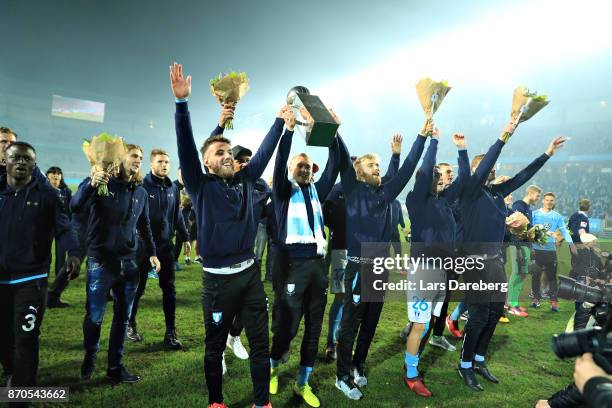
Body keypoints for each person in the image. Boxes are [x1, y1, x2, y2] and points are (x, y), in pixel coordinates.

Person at [170, 61, 290, 408]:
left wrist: (280, 121)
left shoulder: (245, 180)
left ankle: (261, 402)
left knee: (260, 345)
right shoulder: (200, 185)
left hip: (249, 277)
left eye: (228, 151)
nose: (226, 155)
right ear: (206, 164)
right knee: (213, 345)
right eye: (219, 153)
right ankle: (216, 402)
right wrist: (182, 105)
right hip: (217, 283)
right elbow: (187, 146)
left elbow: (265, 153)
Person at [456, 118, 566, 392]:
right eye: (486, 166)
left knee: (494, 312)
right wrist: (507, 132)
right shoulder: (469, 191)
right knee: (479, 315)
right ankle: (465, 364)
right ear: (476, 170)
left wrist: (547, 154)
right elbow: (489, 159)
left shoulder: (495, 194)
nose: (492, 169)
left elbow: (522, 177)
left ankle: (479, 359)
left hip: (494, 263)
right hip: (473, 263)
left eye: (493, 167)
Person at [334, 119, 428, 400]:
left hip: (379, 268)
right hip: (357, 268)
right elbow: (340, 156)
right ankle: (342, 375)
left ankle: (358, 363)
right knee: (350, 323)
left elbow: (407, 169)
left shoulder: (385, 193)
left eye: (379, 164)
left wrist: (420, 135)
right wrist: (335, 129)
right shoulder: (351, 189)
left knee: (371, 321)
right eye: (371, 164)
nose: (377, 168)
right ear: (358, 172)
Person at [268, 116, 342, 407]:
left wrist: (333, 133)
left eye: (308, 166)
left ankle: (303, 382)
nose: (304, 169)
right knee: (287, 326)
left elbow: (335, 164)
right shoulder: (284, 192)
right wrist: (287, 131)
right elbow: (279, 160)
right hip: (293, 267)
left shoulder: (316, 191)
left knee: (314, 327)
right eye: (299, 165)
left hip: (317, 268)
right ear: (290, 170)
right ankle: (273, 368)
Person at [71, 144, 160, 383]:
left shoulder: (140, 191)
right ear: (120, 159)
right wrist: (91, 183)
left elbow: (145, 226)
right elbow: (75, 205)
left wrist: (152, 252)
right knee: (94, 317)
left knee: (122, 318)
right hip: (101, 263)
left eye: (141, 157)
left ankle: (115, 367)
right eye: (134, 156)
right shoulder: (101, 183)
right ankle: (90, 355)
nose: (138, 160)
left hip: (129, 265)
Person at [0, 142, 80, 391]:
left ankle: (21, 396)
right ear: (6, 160)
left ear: (35, 165)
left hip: (31, 279)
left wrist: (74, 254)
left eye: (27, 159)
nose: (21, 162)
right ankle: (13, 371)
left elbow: (64, 228)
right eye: (16, 158)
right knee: (4, 338)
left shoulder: (48, 197)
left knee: (26, 338)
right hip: (1, 279)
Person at [403, 129, 469, 397]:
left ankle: (412, 361)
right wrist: (434, 141)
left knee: (429, 322)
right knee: (419, 325)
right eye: (435, 176)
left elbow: (464, 179)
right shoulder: (416, 200)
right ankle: (410, 373)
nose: (440, 180)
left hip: (441, 273)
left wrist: (462, 150)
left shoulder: (444, 201)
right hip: (423, 273)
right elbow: (426, 167)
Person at [324, 136, 402, 361]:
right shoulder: (341, 189)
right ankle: (332, 342)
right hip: (341, 250)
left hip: (367, 255)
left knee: (359, 304)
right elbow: (327, 211)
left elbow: (390, 178)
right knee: (341, 298)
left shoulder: (374, 192)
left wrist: (395, 156)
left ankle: (347, 347)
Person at [128, 149, 189, 349]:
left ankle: (170, 332)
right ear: (152, 164)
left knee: (169, 289)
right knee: (137, 288)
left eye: (167, 162)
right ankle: (130, 324)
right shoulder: (142, 186)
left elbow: (177, 215)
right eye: (160, 161)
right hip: (143, 247)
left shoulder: (173, 188)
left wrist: (185, 236)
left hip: (165, 247)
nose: (164, 165)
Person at [531, 192, 577, 312]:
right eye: (547, 200)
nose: (549, 202)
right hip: (536, 250)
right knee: (536, 276)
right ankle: (536, 299)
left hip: (550, 251)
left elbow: (565, 231)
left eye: (551, 200)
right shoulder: (534, 214)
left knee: (552, 277)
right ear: (543, 201)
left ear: (554, 202)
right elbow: (529, 231)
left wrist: (571, 243)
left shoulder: (557, 216)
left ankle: (554, 302)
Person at [506, 185, 542, 317]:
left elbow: (529, 231)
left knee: (522, 274)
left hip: (526, 246)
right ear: (531, 193)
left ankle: (514, 302)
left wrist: (531, 248)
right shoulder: (519, 205)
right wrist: (518, 248)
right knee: (517, 273)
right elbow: (514, 227)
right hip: (518, 246)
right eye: (537, 196)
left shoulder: (528, 209)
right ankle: (510, 303)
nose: (538, 198)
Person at [45, 166, 77, 308]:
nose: (56, 176)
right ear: (47, 176)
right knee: (45, 254)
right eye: (53, 174)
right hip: (45, 228)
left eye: (58, 174)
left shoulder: (66, 191)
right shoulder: (42, 190)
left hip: (62, 227)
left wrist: (69, 225)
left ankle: (59, 278)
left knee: (61, 255)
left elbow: (70, 210)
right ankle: (42, 281)